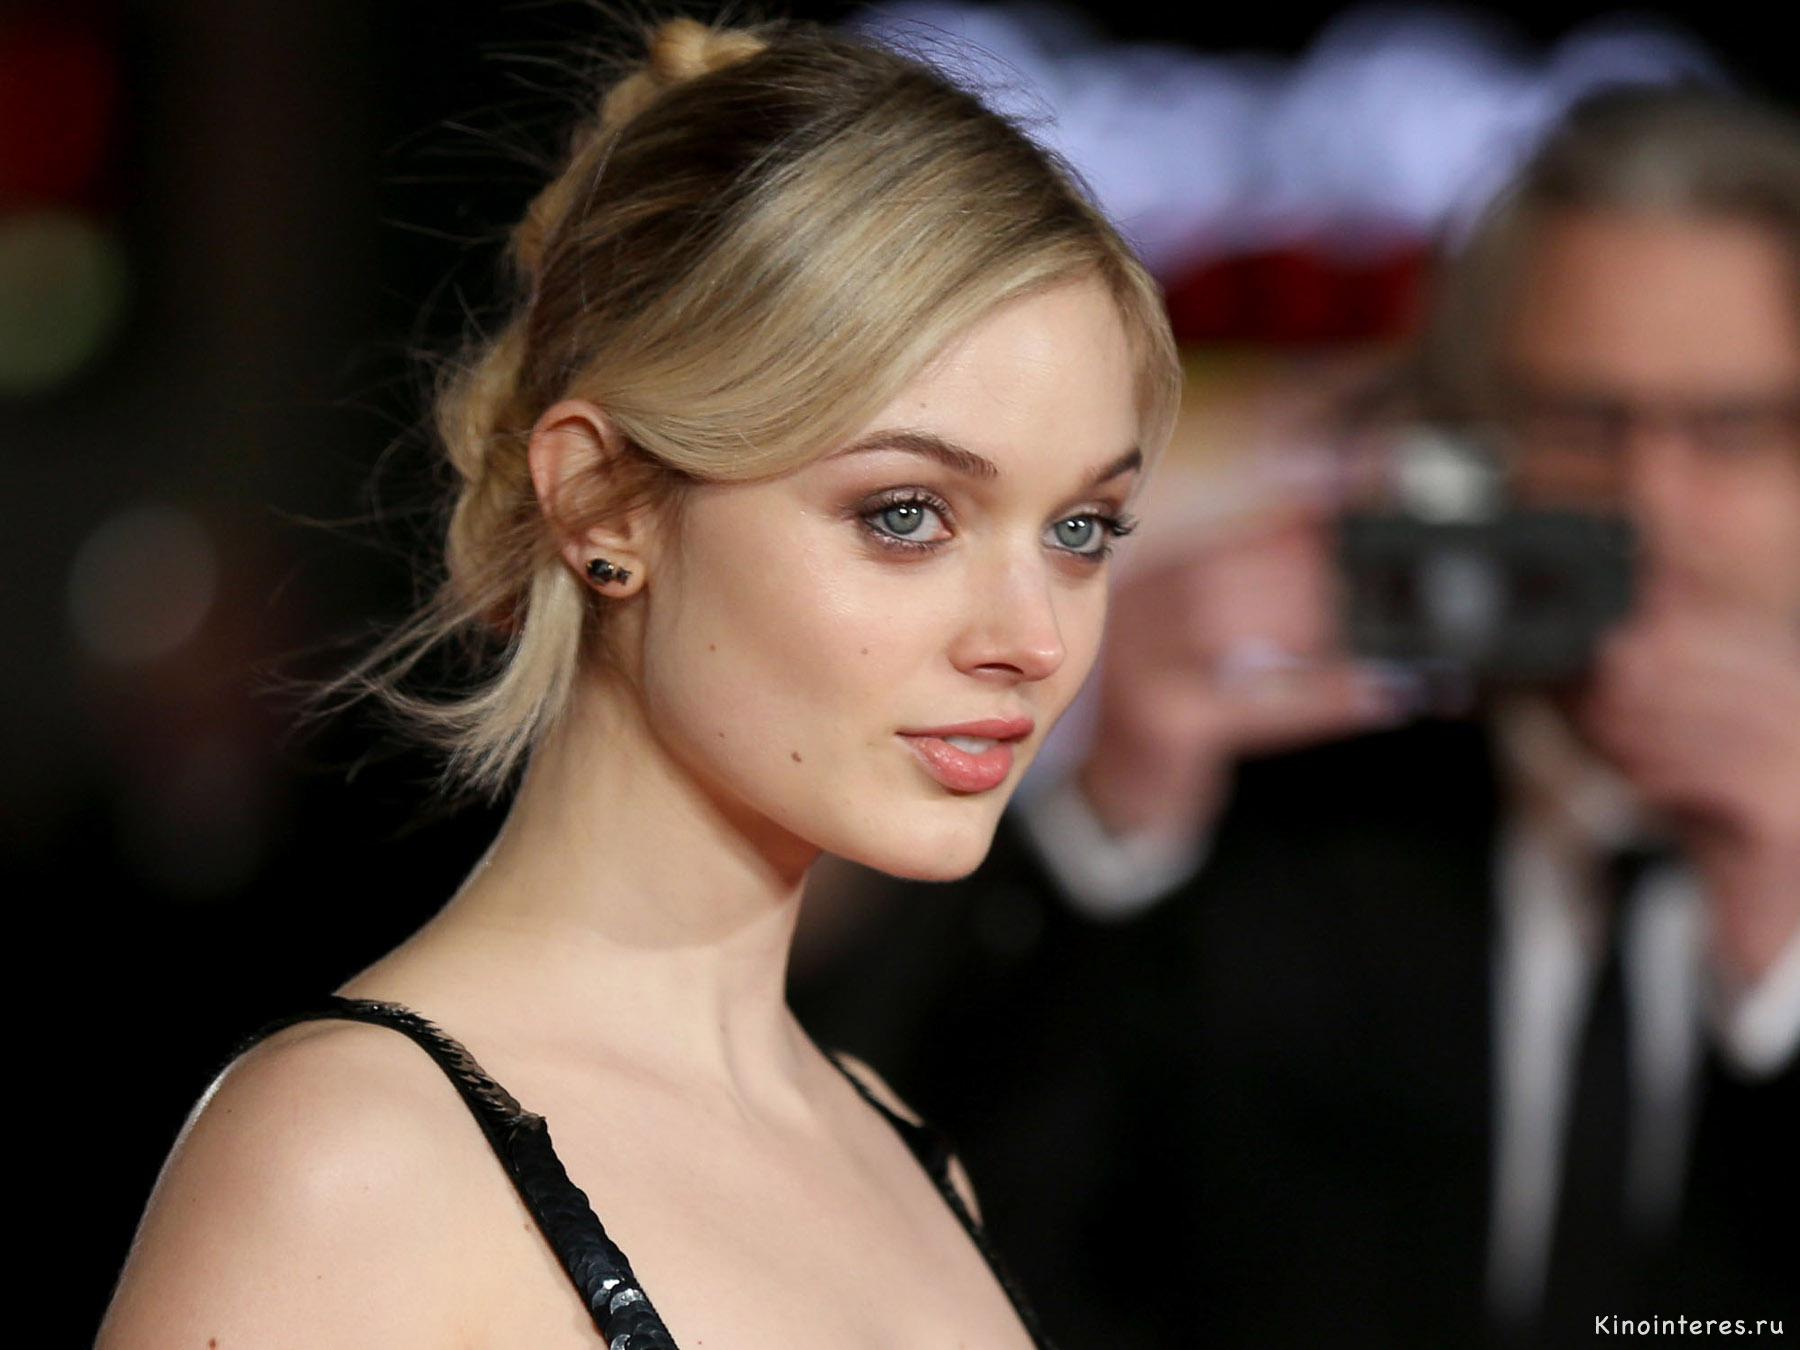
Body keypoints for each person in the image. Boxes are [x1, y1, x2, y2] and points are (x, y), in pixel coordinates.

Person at [95, 15, 1180, 1347]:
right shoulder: (353, 1161)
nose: (1035, 636)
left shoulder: (911, 1157)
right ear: (603, 500)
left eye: (1082, 530)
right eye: (906, 514)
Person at [795, 86, 1800, 1347]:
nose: (1650, 501)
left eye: (1738, 429)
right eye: (1578, 422)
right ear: (1462, 439)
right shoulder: (1278, 825)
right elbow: (911, 1236)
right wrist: (1116, 817)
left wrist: (1784, 954)